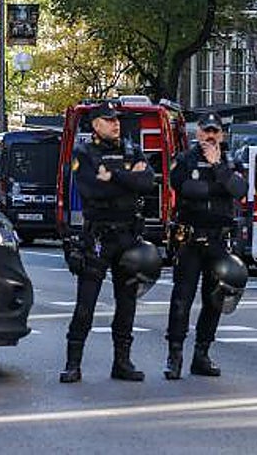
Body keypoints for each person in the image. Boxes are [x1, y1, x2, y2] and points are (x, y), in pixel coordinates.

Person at [60, 103, 158, 383]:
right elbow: (91, 189)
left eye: (117, 120)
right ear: (95, 125)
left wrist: (114, 176)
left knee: (127, 303)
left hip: (128, 235)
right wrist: (130, 179)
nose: (115, 124)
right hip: (99, 237)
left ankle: (122, 362)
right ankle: (72, 363)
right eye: (108, 120)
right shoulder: (84, 152)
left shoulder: (131, 149)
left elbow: (147, 183)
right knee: (86, 304)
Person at [164, 113, 247, 380]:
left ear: (221, 134)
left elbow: (239, 189)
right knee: (182, 299)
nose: (210, 136)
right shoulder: (186, 159)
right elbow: (184, 187)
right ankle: (174, 355)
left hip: (218, 240)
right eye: (206, 131)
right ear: (197, 133)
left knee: (214, 300)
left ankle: (202, 354)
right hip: (190, 239)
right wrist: (217, 187)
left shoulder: (231, 160)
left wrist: (219, 169)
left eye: (215, 131)